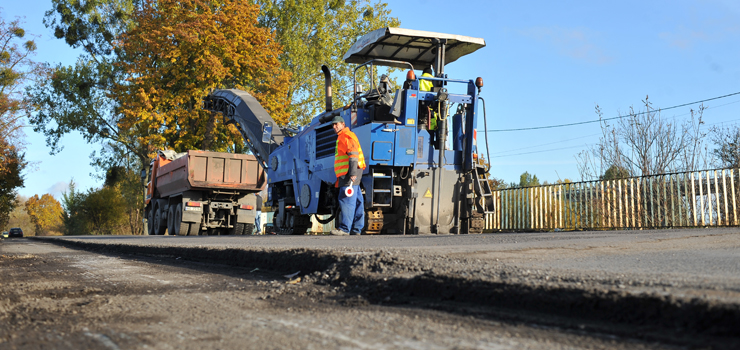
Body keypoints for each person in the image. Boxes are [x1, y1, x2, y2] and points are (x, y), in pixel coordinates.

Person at [329, 115, 366, 236]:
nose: (335, 127)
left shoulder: (346, 136)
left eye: (337, 124)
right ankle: (357, 229)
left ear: (343, 124)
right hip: (351, 171)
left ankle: (344, 229)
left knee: (346, 199)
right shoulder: (343, 136)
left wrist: (353, 173)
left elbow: (353, 155)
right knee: (357, 200)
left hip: (349, 173)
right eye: (333, 125)